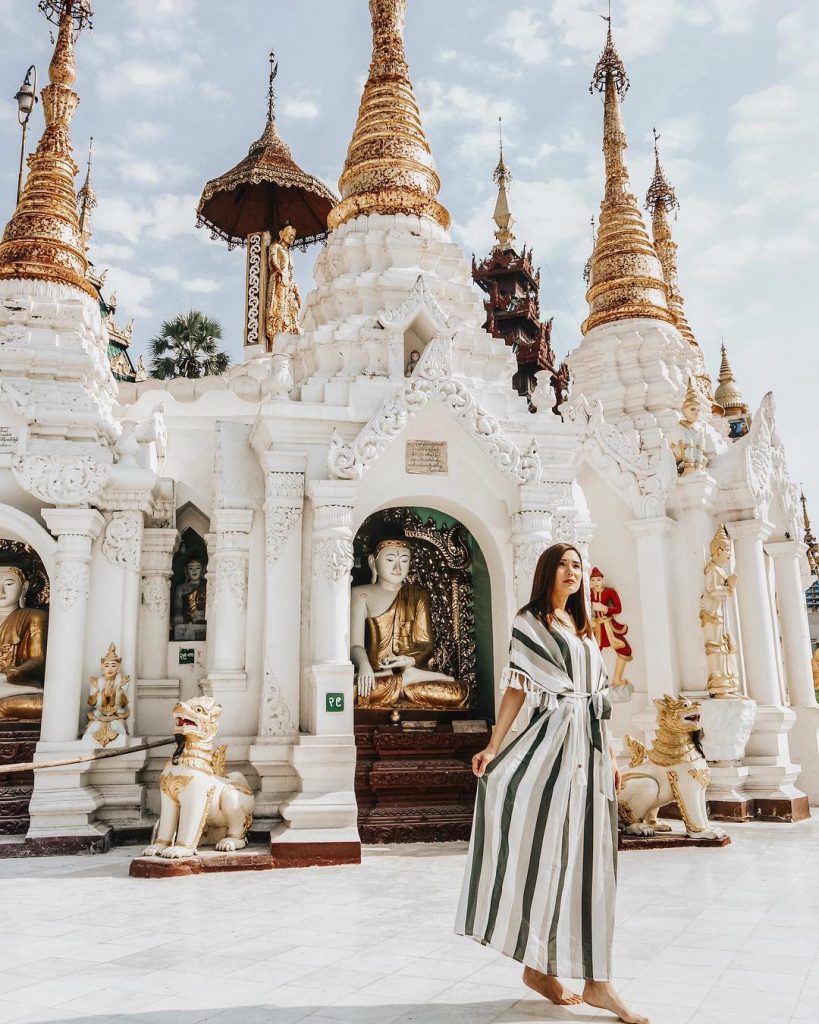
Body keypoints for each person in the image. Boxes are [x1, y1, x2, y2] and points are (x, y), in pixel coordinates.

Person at [455, 543, 648, 1024]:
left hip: (592, 752)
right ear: (547, 572)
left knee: (589, 862)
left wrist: (615, 754)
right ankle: (540, 967)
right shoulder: (529, 623)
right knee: (545, 855)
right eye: (563, 565)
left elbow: (599, 697)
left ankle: (596, 981)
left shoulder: (584, 629)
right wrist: (494, 746)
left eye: (578, 565)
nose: (572, 571)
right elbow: (517, 687)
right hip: (550, 749)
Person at [351, 535, 468, 709]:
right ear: (372, 562)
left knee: (459, 691)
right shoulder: (361, 594)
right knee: (348, 691)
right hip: (376, 676)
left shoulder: (418, 595)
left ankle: (409, 678)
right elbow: (355, 645)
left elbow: (425, 644)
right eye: (390, 559)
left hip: (408, 670)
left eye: (404, 560)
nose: (397, 567)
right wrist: (364, 666)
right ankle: (406, 681)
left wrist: (407, 661)